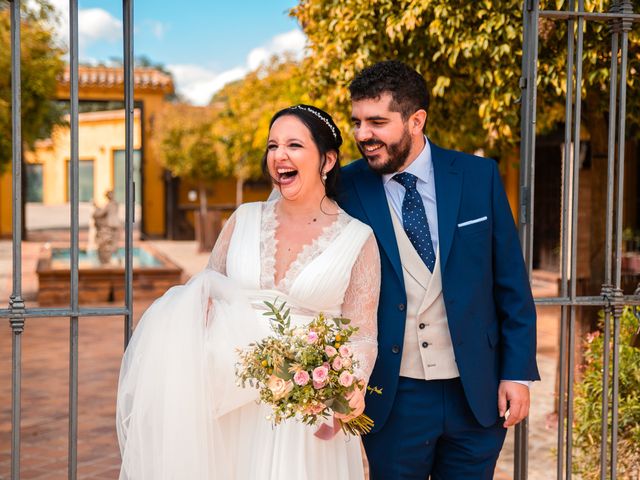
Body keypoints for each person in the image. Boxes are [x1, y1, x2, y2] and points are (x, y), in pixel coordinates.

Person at [116, 104, 380, 479]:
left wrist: (352, 385)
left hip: (303, 414)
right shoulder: (243, 219)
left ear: (327, 160)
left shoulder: (358, 239)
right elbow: (204, 295)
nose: (279, 156)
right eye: (272, 146)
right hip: (230, 403)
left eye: (293, 145)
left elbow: (363, 334)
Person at [338, 60, 540, 479]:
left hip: (477, 392)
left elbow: (511, 283)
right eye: (356, 122)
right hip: (393, 394)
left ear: (416, 120)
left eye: (377, 122)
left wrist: (517, 374)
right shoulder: (345, 187)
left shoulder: (476, 175)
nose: (362, 135)